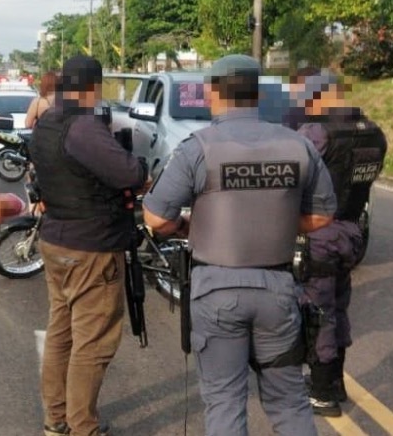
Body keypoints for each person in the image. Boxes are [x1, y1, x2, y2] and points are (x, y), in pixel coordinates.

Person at [142, 54, 337, 436]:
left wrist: (188, 224)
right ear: (259, 93)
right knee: (288, 401)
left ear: (213, 92)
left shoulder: (197, 148)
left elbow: (155, 219)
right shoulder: (298, 145)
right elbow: (322, 216)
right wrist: (276, 220)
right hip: (278, 292)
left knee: (226, 401)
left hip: (216, 292)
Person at [28, 55, 148, 436]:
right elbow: (128, 173)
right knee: (92, 343)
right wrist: (140, 166)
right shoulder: (82, 126)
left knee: (62, 334)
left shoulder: (47, 120)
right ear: (93, 87)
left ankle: (57, 420)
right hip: (91, 246)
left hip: (57, 240)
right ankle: (83, 427)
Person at [295, 71, 387, 417]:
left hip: (321, 232)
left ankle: (321, 393)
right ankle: (336, 382)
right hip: (352, 231)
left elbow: (294, 174)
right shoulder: (374, 132)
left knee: (319, 313)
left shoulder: (317, 132)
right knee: (338, 306)